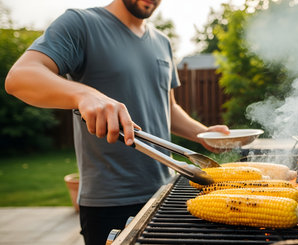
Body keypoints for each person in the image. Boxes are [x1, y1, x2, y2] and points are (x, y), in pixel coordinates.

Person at [5, 0, 229, 244]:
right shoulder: (80, 24)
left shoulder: (162, 42)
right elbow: (20, 77)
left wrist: (203, 133)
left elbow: (169, 108)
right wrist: (84, 94)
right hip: (109, 202)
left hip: (164, 191)